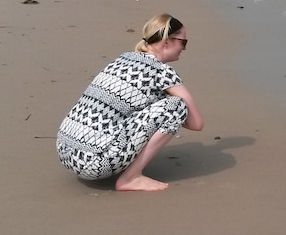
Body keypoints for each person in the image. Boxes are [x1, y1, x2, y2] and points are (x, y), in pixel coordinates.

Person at [56, 13, 203, 191]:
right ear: (166, 41)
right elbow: (196, 123)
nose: (184, 48)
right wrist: (167, 103)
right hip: (93, 163)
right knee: (176, 107)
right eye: (183, 42)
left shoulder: (123, 59)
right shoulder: (162, 71)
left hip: (65, 150)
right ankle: (131, 178)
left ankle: (119, 162)